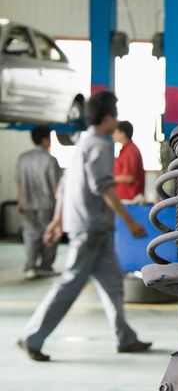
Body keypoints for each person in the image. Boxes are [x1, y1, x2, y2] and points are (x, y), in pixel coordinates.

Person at [17, 91, 152, 362]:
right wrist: (129, 221)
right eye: (115, 114)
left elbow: (65, 187)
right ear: (109, 117)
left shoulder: (83, 142)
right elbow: (103, 187)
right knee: (70, 284)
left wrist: (57, 221)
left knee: (113, 284)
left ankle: (124, 337)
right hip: (91, 227)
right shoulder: (100, 145)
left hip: (94, 228)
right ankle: (32, 336)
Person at [16, 126, 61, 280]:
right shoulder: (50, 160)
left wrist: (20, 200)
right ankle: (46, 266)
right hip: (46, 204)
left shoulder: (23, 158)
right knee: (49, 234)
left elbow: (19, 182)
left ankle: (30, 267)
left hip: (27, 203)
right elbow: (56, 187)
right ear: (44, 140)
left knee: (30, 235)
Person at [113, 120, 145, 201]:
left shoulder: (130, 152)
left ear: (123, 133)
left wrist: (109, 179)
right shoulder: (125, 151)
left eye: (115, 132)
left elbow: (130, 177)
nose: (113, 135)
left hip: (130, 200)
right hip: (125, 198)